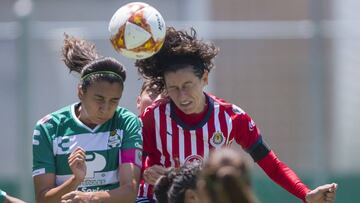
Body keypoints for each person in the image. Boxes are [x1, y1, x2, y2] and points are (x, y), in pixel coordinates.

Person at [135, 26, 337, 203]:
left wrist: (305, 194)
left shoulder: (233, 118)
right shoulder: (155, 116)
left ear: (204, 78)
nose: (182, 96)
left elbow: (272, 165)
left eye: (188, 85)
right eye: (174, 88)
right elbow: (138, 164)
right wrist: (148, 171)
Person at [32, 34, 142, 203]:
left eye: (114, 101)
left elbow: (130, 191)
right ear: (80, 91)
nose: (106, 109)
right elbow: (43, 199)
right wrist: (75, 180)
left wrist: (89, 197)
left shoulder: (127, 123)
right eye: (99, 99)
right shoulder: (48, 128)